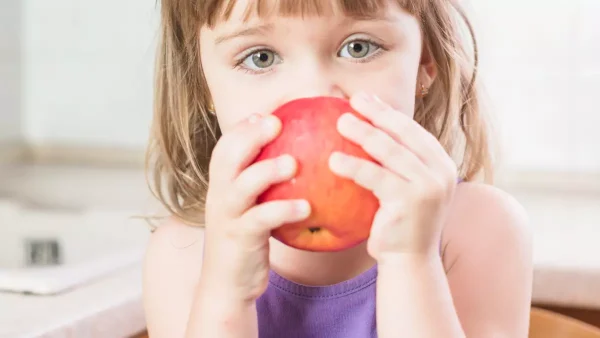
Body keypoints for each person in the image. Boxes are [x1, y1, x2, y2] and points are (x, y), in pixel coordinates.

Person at [142, 0, 533, 337]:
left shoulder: (478, 229)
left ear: (424, 63)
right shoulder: (183, 255)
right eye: (260, 57)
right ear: (204, 84)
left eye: (359, 47)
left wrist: (411, 261)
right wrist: (225, 292)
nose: (315, 91)